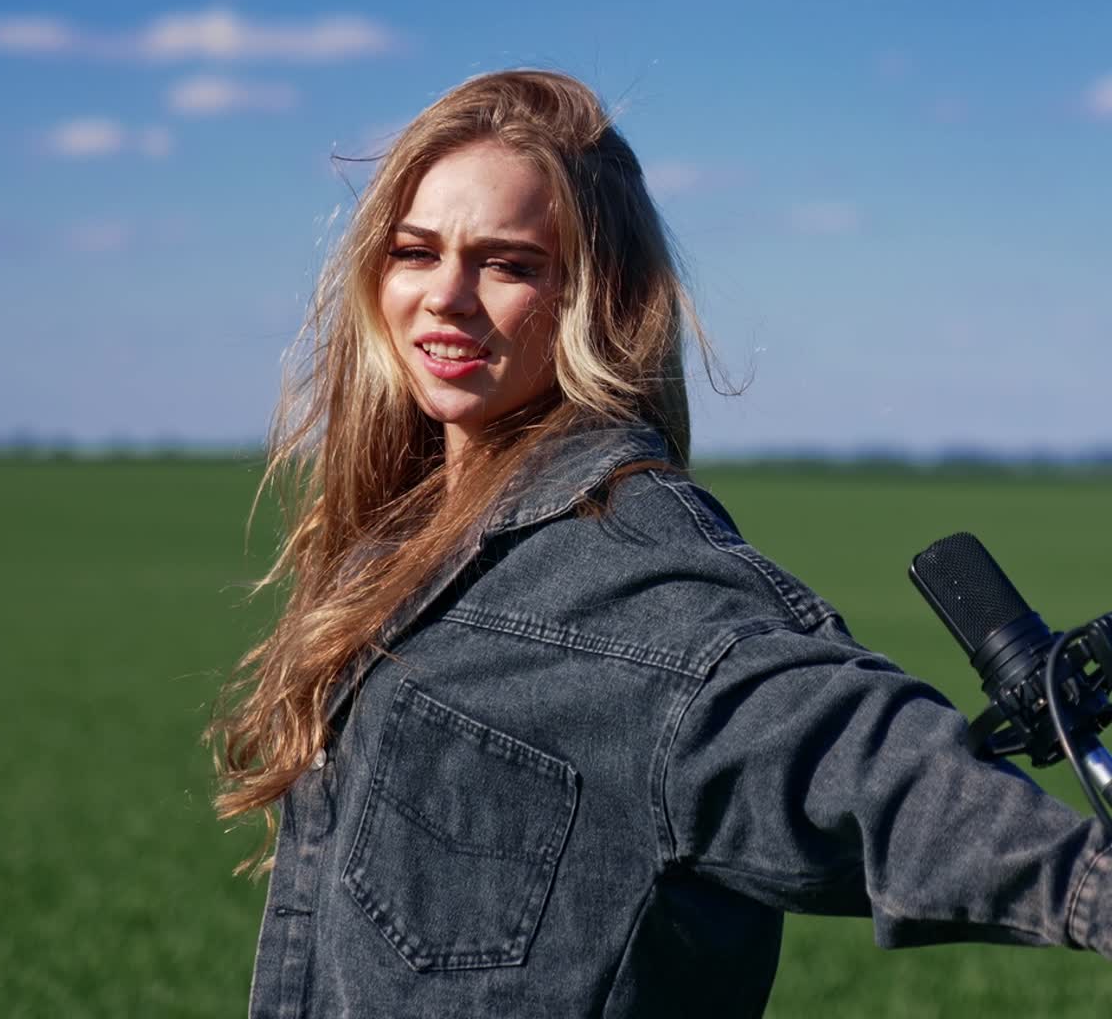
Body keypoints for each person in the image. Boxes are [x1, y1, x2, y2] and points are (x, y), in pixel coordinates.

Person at [210, 70, 1112, 1018]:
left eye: (508, 264)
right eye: (415, 251)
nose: (446, 297)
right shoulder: (409, 542)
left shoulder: (627, 570)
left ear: (596, 298)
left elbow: (856, 759)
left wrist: (1085, 881)